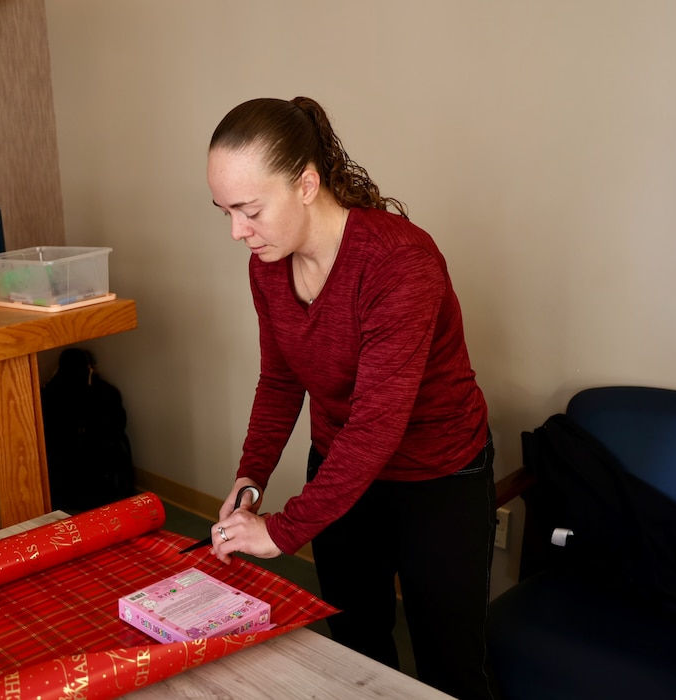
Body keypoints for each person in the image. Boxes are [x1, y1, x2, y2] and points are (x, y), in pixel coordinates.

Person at [205, 96, 496, 700]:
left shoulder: (399, 262)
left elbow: (375, 427)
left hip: (438, 474)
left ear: (306, 184)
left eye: (249, 210)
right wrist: (249, 479)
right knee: (357, 647)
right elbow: (282, 380)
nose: (237, 231)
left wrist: (282, 532)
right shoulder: (268, 262)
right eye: (225, 212)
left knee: (450, 661)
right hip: (342, 466)